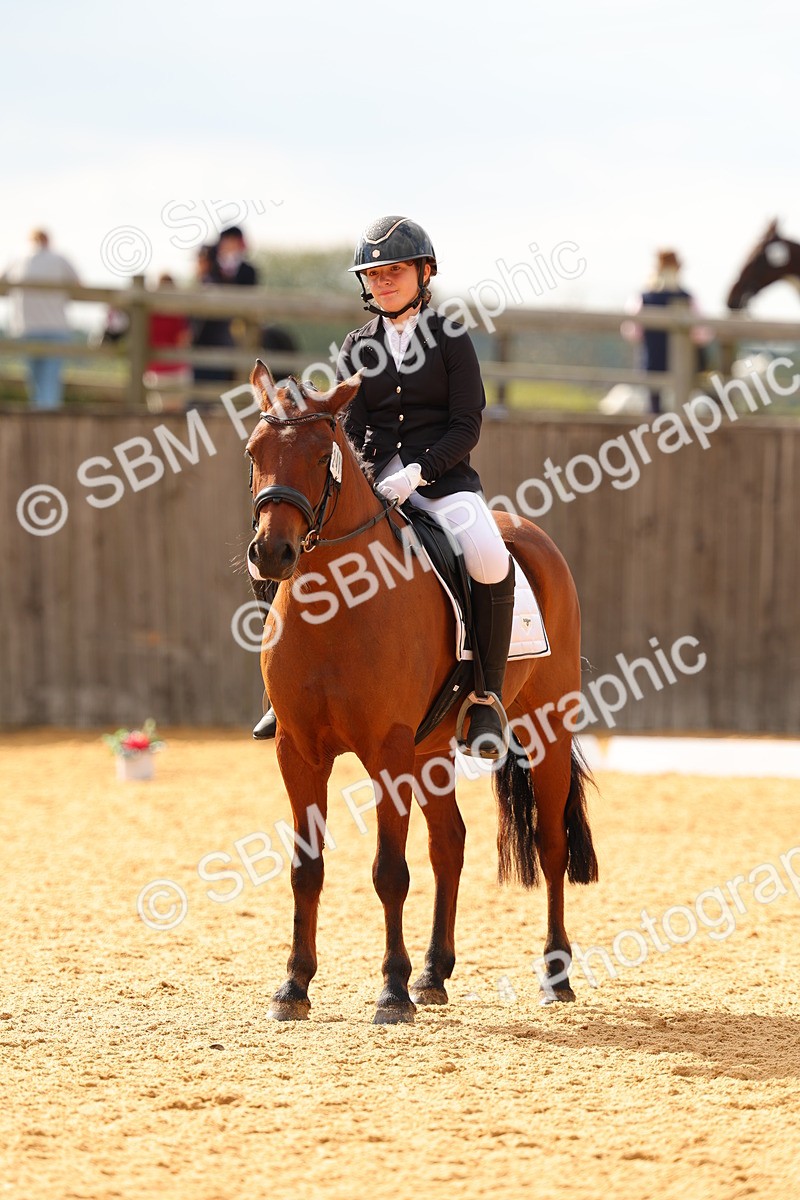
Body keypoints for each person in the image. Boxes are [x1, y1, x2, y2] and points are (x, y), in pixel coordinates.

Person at [253, 215, 515, 759]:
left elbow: (466, 423)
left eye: (395, 271)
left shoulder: (451, 339)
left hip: (442, 482)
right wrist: (371, 476)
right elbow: (356, 423)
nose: (383, 282)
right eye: (373, 274)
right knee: (273, 549)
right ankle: (280, 691)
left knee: (489, 556)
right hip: (374, 484)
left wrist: (419, 471)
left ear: (424, 273)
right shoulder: (357, 344)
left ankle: (485, 700)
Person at [621, 249, 712, 414]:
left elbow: (632, 331)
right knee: (682, 408)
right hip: (684, 366)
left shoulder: (644, 298)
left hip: (652, 362)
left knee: (654, 409)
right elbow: (702, 334)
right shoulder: (688, 298)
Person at [3, 229, 79, 409]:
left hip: (26, 328)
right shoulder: (59, 259)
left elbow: (2, 283)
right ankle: (47, 422)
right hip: (56, 328)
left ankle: (37, 419)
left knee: (35, 381)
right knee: (50, 381)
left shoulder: (18, 259)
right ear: (48, 241)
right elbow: (78, 285)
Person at [143, 274, 191, 411]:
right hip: (176, 369)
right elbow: (183, 340)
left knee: (156, 415)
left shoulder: (148, 312)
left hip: (154, 371)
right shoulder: (177, 311)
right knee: (175, 419)